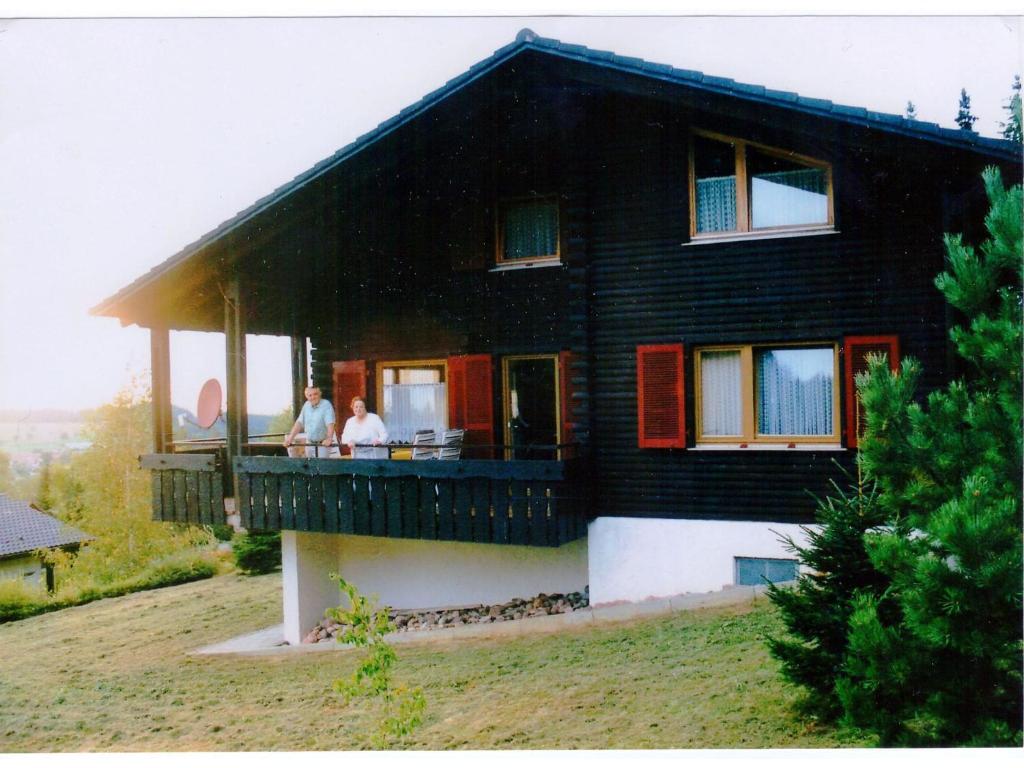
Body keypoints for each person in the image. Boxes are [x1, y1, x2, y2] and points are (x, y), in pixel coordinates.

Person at [283, 386, 337, 457]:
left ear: (320, 394)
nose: (313, 397)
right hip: (309, 443)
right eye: (310, 395)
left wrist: (329, 438)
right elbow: (299, 423)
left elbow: (330, 423)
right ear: (306, 396)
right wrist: (290, 438)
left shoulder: (326, 405)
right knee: (310, 466)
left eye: (315, 394)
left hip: (322, 445)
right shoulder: (306, 405)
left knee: (321, 467)